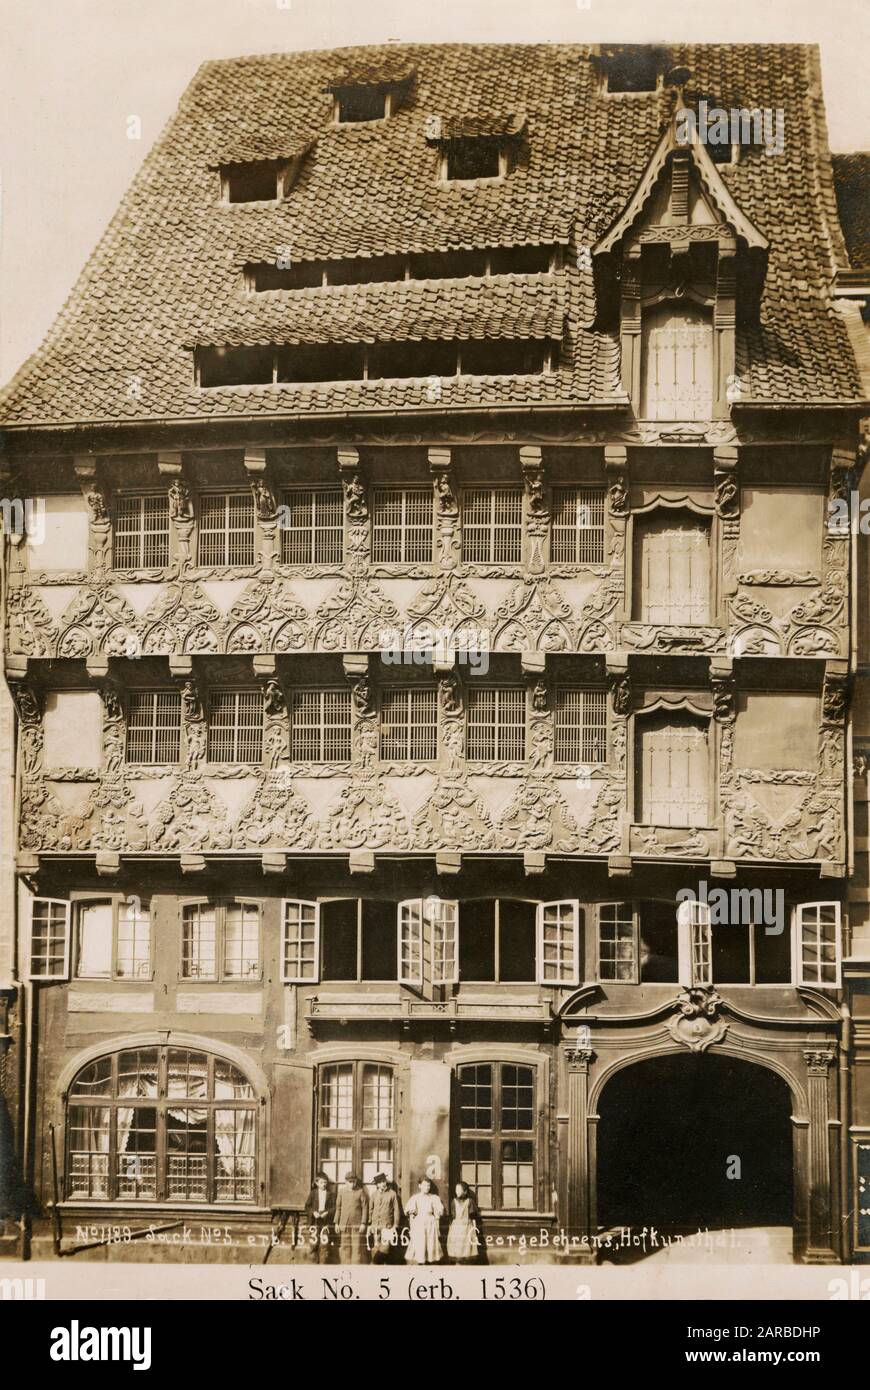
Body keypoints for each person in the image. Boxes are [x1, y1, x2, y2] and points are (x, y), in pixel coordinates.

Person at [404, 1177, 444, 1265]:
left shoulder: (434, 1198)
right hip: (419, 1222)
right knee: (420, 1242)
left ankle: (430, 1261)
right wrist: (412, 1225)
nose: (427, 1187)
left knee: (430, 1243)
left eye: (428, 1185)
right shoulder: (416, 1198)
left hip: (430, 1222)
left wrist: (437, 1226)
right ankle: (421, 1261)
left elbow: (438, 1212)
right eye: (425, 1185)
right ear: (420, 1186)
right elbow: (410, 1213)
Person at [334, 1172, 369, 1265]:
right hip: (344, 1224)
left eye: (353, 1182)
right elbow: (338, 1208)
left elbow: (365, 1207)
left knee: (356, 1246)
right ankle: (345, 1266)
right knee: (345, 1246)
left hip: (357, 1224)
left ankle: (355, 1267)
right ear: (345, 1182)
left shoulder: (360, 1191)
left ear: (356, 1181)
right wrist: (336, 1223)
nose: (352, 1184)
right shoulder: (341, 1192)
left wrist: (363, 1223)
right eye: (349, 1182)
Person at [302, 1171, 335, 1263]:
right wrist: (313, 1212)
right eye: (321, 1182)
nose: (323, 1184)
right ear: (317, 1183)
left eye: (325, 1182)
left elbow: (334, 1208)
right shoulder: (313, 1193)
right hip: (315, 1222)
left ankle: (322, 1266)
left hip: (325, 1222)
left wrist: (327, 1212)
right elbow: (307, 1206)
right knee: (313, 1243)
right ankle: (313, 1266)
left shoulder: (330, 1194)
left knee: (324, 1245)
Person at [368, 1173, 401, 1263]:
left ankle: (375, 1264)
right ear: (377, 1184)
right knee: (376, 1247)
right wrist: (370, 1223)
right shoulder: (374, 1195)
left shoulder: (392, 1194)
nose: (382, 1184)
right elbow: (370, 1209)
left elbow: (396, 1210)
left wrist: (395, 1224)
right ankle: (376, 1269)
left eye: (383, 1181)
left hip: (387, 1226)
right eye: (380, 1182)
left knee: (385, 1248)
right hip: (376, 1226)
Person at [446, 1181, 480, 1264]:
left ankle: (466, 1262)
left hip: (467, 1226)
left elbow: (473, 1216)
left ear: (465, 1191)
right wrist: (451, 1227)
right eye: (456, 1190)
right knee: (457, 1244)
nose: (457, 1192)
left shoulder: (469, 1201)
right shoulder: (454, 1202)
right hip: (456, 1227)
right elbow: (452, 1216)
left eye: (459, 1190)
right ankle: (457, 1261)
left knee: (467, 1245)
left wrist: (474, 1229)